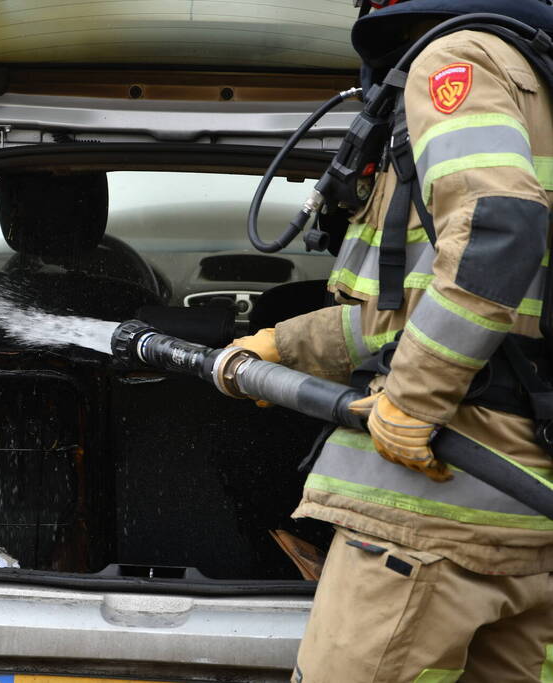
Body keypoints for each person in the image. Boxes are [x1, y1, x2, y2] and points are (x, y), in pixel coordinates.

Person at [232, 1, 553, 680]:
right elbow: (414, 317)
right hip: (529, 521)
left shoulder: (458, 58)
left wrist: (409, 402)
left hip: (435, 517)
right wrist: (281, 345)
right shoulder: (534, 84)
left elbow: (496, 230)